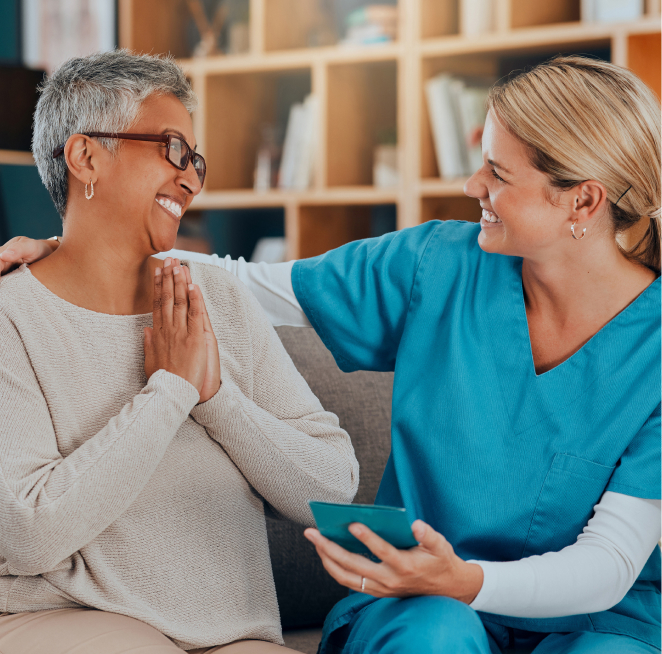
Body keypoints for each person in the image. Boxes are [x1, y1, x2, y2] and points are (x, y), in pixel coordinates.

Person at [3, 56, 661, 653]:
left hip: (596, 615)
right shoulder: (437, 266)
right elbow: (246, 283)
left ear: (583, 200)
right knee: (434, 634)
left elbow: (608, 565)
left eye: (498, 171)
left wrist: (469, 579)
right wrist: (71, 251)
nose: (471, 183)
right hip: (420, 600)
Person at [0, 50, 359, 654]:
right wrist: (169, 392)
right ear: (86, 156)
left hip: (230, 631)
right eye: (171, 149)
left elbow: (331, 487)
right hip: (64, 616)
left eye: (195, 159)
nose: (190, 177)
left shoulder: (217, 299)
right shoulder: (14, 315)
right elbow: (27, 533)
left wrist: (214, 396)